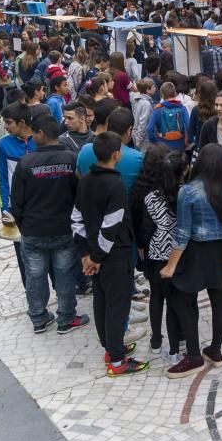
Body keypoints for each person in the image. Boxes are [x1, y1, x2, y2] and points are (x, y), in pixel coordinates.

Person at [73, 132, 149, 377]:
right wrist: (96, 257)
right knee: (117, 306)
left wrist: (86, 253)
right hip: (113, 256)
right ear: (117, 154)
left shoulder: (85, 180)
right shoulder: (114, 184)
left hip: (95, 255)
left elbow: (76, 218)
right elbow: (111, 225)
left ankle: (111, 347)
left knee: (102, 301)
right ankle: (117, 361)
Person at [159, 144, 222, 378]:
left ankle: (193, 355)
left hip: (196, 252)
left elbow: (182, 232)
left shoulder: (188, 191)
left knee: (181, 300)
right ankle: (216, 350)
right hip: (221, 252)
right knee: (219, 297)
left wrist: (171, 265)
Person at [11, 116, 89, 335]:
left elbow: (16, 201)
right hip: (64, 229)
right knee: (65, 274)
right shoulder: (72, 159)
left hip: (34, 230)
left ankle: (38, 317)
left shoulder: (25, 163)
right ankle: (66, 317)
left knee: (35, 275)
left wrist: (23, 225)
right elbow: (80, 195)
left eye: (34, 133)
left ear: (42, 135)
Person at [132, 145, 186, 362]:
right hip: (179, 253)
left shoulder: (150, 197)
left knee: (157, 297)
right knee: (176, 298)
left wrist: (143, 251)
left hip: (156, 254)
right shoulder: (185, 193)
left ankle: (156, 338)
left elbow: (146, 229)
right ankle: (179, 338)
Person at [0, 101, 36, 283]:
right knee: (23, 254)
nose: (6, 126)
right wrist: (5, 208)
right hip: (17, 209)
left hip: (43, 206)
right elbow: (1, 178)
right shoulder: (3, 145)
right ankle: (30, 292)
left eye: (9, 122)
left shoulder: (40, 139)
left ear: (22, 122)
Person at [77, 107, 145, 194]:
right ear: (129, 131)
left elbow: (78, 175)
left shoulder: (85, 150)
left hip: (88, 205)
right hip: (122, 206)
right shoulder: (138, 158)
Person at [147, 81, 190, 152]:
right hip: (179, 145)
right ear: (175, 94)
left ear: (162, 96)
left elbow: (149, 129)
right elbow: (188, 126)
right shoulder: (182, 108)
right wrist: (188, 140)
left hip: (162, 146)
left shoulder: (157, 110)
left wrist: (155, 141)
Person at [131, 78, 155, 152]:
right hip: (143, 140)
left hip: (136, 136)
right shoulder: (146, 104)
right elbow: (143, 123)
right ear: (147, 90)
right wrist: (139, 142)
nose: (155, 88)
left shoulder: (138, 101)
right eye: (153, 87)